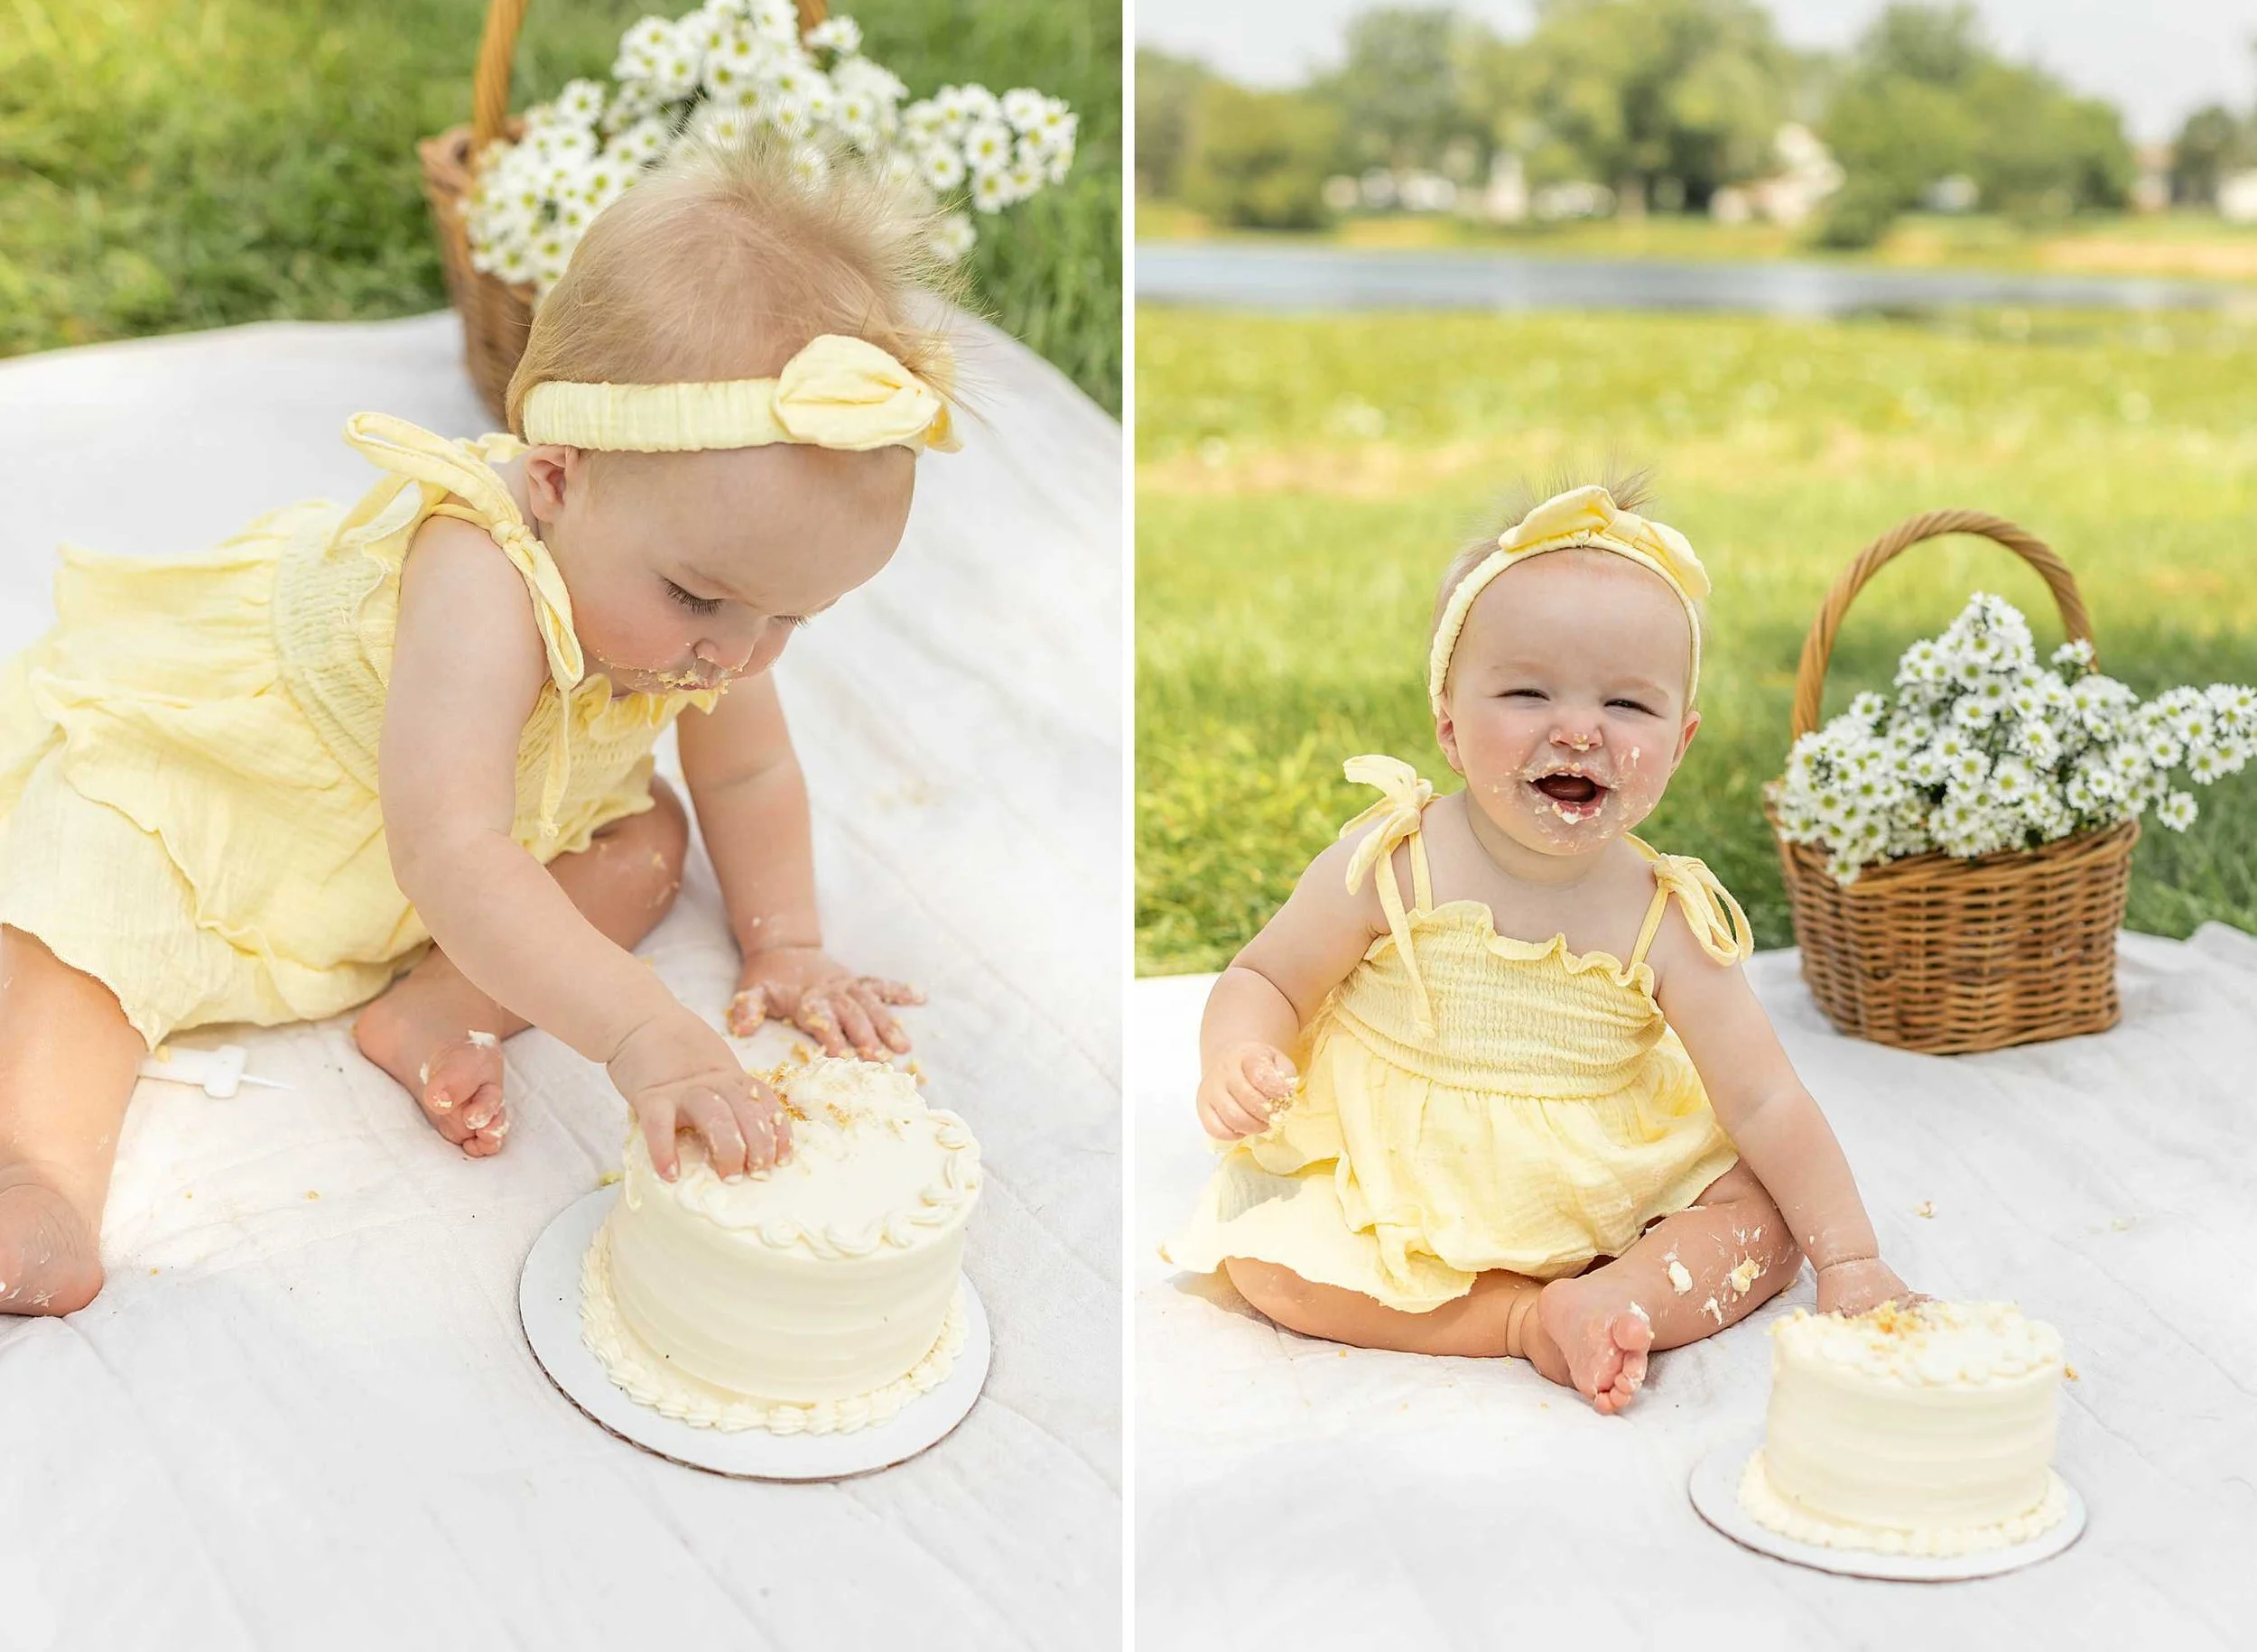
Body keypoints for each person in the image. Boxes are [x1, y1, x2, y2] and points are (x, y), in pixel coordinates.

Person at [0, 135, 956, 1315]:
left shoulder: (721, 606)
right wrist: (644, 1031)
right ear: (555, 478)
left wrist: (787, 942)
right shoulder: (477, 567)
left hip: (466, 838)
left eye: (792, 618)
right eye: (701, 600)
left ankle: (444, 1003)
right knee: (85, 903)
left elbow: (749, 770)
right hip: (274, 794)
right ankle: (38, 1161)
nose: (740, 653)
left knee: (649, 843)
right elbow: (451, 848)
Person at [1166, 478, 1915, 1414]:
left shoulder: (1664, 915)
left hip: (1600, 1161)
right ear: (1447, 724)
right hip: (1406, 1167)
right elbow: (1266, 975)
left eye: (1627, 706)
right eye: (1526, 692)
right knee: (1272, 1272)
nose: (1577, 728)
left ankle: (1618, 1294)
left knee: (1766, 1224)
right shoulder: (1393, 861)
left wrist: (1850, 1256)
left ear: (1678, 745)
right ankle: (1524, 1321)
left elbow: (1764, 1097)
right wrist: (1237, 1051)